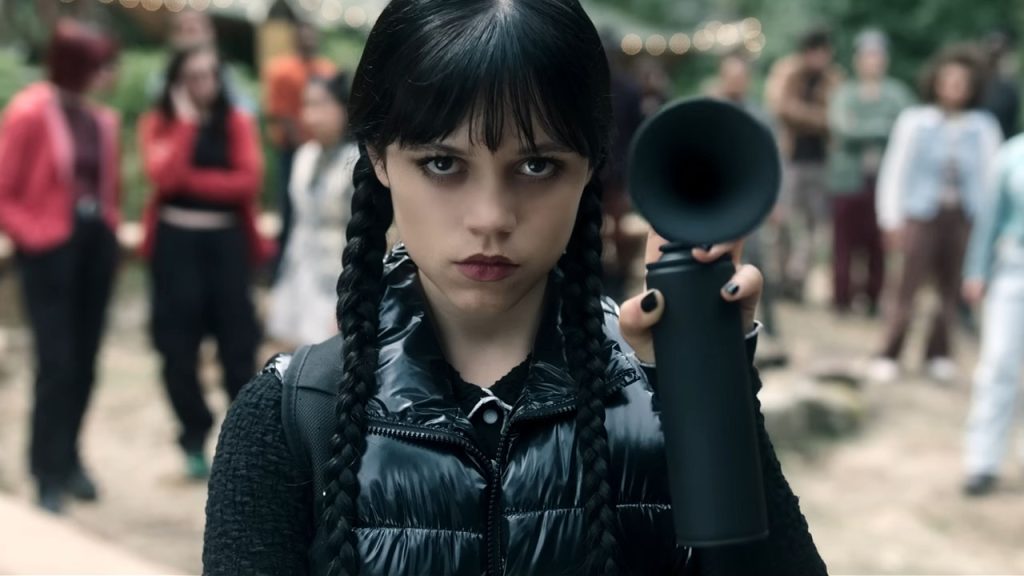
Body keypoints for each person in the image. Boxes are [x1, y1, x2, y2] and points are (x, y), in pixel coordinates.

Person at [202, 1, 827, 574]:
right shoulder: (292, 417)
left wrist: (708, 389)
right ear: (379, 156)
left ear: (591, 165)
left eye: (536, 165)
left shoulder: (660, 390)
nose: (491, 217)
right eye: (443, 163)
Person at [0, 20, 120, 514]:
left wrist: (109, 227)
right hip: (49, 251)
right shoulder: (30, 112)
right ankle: (45, 468)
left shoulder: (101, 120)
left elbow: (106, 186)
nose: (106, 74)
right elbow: (5, 189)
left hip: (95, 246)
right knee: (56, 362)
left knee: (87, 360)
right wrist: (33, 235)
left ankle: (70, 457)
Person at [138, 46, 272, 479]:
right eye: (193, 76)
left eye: (211, 74)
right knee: (176, 349)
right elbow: (165, 178)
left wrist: (193, 183)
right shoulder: (160, 123)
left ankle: (243, 439)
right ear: (177, 82)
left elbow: (246, 182)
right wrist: (186, 125)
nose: (204, 84)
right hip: (175, 247)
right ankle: (192, 433)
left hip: (226, 246)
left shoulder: (236, 121)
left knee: (238, 345)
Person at [870, 46, 1003, 383]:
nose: (954, 87)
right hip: (920, 213)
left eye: (962, 81)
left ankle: (939, 352)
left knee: (950, 289)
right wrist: (891, 218)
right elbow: (895, 170)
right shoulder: (915, 121)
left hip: (962, 216)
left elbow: (992, 179)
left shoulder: (983, 128)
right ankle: (889, 351)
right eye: (949, 80)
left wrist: (988, 226)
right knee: (906, 287)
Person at [266, 73, 359, 347]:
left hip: (341, 276)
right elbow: (297, 223)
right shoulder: (304, 156)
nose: (311, 115)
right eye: (307, 105)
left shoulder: (358, 160)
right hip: (302, 271)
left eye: (320, 104)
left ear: (343, 107)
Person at [827, 30, 913, 316]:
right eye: (867, 55)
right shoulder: (844, 93)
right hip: (848, 179)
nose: (872, 61)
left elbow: (905, 130)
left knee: (878, 243)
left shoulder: (897, 94)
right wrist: (882, 125)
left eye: (877, 55)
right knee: (843, 241)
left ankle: (874, 298)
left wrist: (863, 125)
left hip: (885, 179)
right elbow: (843, 129)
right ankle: (841, 297)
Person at [960, 134, 1024, 496]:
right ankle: (983, 460)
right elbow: (989, 218)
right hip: (1013, 269)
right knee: (999, 362)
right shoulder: (1013, 154)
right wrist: (976, 270)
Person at [765, 27, 843, 301]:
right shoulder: (787, 72)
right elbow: (780, 107)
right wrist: (817, 118)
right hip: (790, 158)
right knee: (783, 221)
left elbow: (838, 117)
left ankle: (798, 281)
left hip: (821, 161)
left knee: (814, 226)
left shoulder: (834, 78)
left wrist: (805, 116)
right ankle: (780, 277)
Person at [264, 21, 337, 277]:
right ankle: (283, 266)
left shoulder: (327, 70)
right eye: (303, 37)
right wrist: (305, 145)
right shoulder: (282, 70)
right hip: (292, 150)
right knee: (290, 207)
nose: (308, 41)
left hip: (326, 149)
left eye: (311, 36)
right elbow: (280, 113)